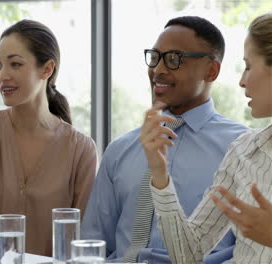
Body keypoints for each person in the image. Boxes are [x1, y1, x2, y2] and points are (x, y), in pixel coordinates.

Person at [81, 16, 249, 263]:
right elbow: (91, 245)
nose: (158, 70)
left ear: (211, 70)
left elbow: (250, 251)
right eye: (155, 57)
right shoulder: (119, 150)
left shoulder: (242, 148)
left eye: (173, 59)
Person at [0, 19, 98, 256]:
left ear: (47, 69)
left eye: (15, 64)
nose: (3, 75)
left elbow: (82, 233)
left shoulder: (82, 149)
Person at [145, 12, 272, 263]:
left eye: (248, 66)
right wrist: (160, 176)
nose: (242, 81)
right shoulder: (243, 151)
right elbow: (187, 255)